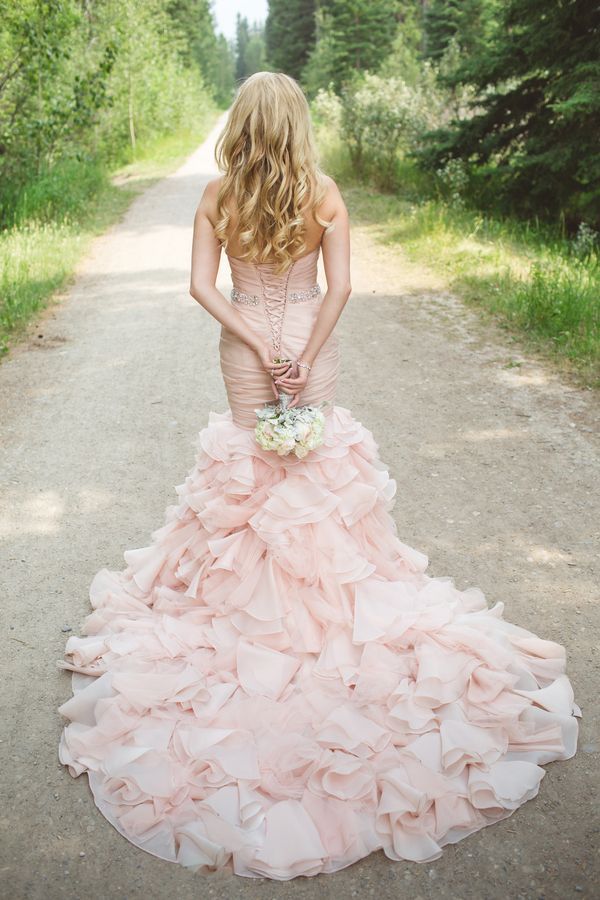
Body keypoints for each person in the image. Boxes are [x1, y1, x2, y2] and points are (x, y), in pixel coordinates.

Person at [57, 72, 581, 881]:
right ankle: (316, 615)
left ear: (241, 123)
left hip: (243, 350)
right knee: (313, 475)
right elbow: (342, 288)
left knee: (248, 473)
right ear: (298, 124)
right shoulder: (323, 191)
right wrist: (300, 350)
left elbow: (202, 287)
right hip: (312, 340)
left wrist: (258, 345)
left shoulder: (219, 194)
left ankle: (250, 618)